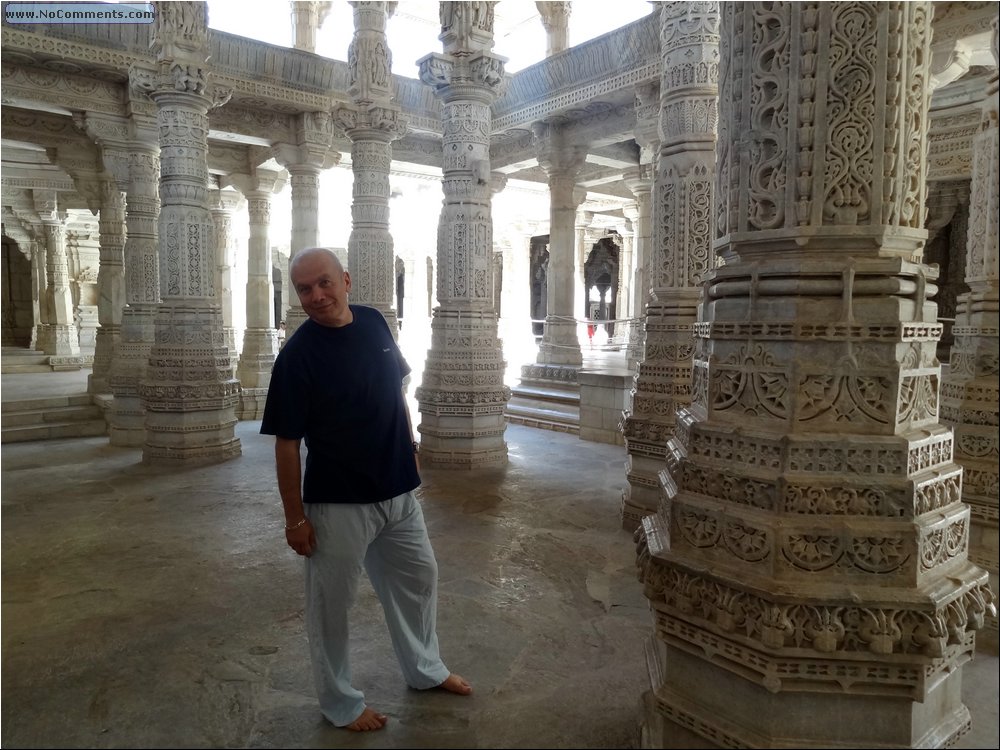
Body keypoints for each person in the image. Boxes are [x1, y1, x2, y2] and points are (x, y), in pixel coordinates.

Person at [260, 247, 472, 732]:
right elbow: (287, 444)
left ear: (346, 280)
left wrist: (411, 441)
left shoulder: (375, 322)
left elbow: (394, 388)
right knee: (331, 608)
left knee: (420, 579)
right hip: (337, 501)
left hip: (397, 489)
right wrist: (295, 518)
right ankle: (340, 702)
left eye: (324, 283)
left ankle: (425, 669)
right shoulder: (297, 357)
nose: (316, 295)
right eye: (305, 289)